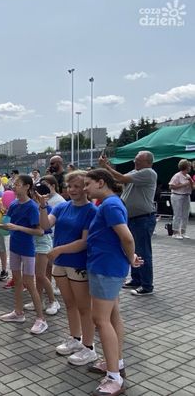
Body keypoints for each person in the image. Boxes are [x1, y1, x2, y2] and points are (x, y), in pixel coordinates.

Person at [84, 169, 143, 396]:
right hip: (106, 266)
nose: (86, 188)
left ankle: (114, 378)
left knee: (101, 319)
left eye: (88, 184)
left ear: (101, 182)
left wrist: (130, 257)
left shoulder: (110, 205)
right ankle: (115, 363)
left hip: (106, 268)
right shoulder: (110, 203)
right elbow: (120, 238)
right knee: (112, 315)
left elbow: (126, 237)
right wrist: (130, 257)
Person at [37, 170, 98, 366]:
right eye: (69, 186)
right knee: (70, 304)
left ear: (86, 188)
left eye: (77, 186)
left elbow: (84, 242)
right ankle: (75, 338)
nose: (72, 190)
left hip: (77, 263)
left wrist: (59, 249)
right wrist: (42, 206)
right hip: (61, 263)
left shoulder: (91, 211)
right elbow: (45, 225)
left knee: (84, 307)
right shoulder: (62, 207)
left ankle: (89, 347)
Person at [0, 175, 48, 335]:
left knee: (29, 283)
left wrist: (18, 228)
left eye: (18, 184)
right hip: (14, 248)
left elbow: (40, 231)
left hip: (27, 250)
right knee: (17, 281)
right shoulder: (14, 204)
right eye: (14, 184)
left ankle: (41, 319)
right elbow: (10, 225)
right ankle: (18, 313)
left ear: (27, 187)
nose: (14, 186)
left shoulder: (32, 207)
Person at [99, 150, 157, 296]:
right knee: (133, 250)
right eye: (135, 159)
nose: (135, 161)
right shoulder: (135, 172)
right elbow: (118, 179)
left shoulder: (149, 173)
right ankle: (136, 279)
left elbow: (121, 178)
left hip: (143, 218)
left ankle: (147, 285)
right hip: (133, 218)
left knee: (143, 252)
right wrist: (107, 166)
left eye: (138, 160)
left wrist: (106, 166)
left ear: (148, 162)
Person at [168, 159, 194, 239]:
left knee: (186, 215)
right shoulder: (177, 176)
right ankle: (175, 233)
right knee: (177, 214)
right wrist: (183, 185)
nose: (190, 167)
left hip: (186, 196)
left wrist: (191, 182)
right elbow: (171, 186)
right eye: (189, 166)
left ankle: (183, 232)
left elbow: (192, 187)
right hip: (177, 196)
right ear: (186, 167)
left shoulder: (188, 176)